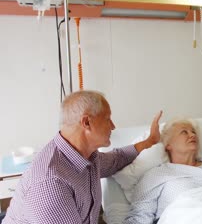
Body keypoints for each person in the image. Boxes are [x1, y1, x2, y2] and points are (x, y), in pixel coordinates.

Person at [3, 90, 162, 224]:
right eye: (107, 119)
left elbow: (115, 160)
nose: (113, 126)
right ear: (86, 122)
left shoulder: (86, 156)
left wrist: (149, 141)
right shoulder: (52, 184)